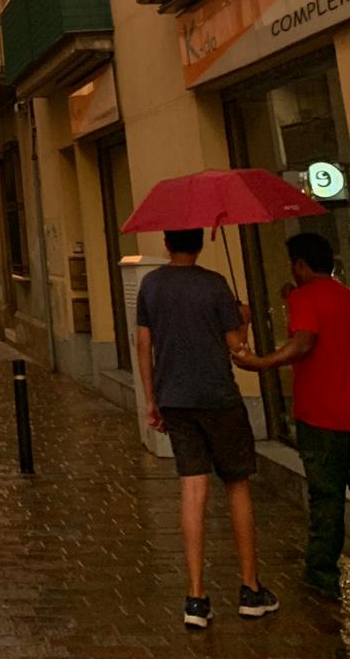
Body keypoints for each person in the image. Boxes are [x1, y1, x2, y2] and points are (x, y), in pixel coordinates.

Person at [135, 228, 278, 629]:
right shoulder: (215, 285)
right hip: (219, 397)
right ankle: (250, 588)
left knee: (192, 489)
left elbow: (143, 345)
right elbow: (237, 349)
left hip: (175, 399)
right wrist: (244, 320)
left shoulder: (151, 285)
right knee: (237, 485)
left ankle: (196, 597)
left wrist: (151, 398)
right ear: (200, 245)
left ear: (167, 244)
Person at [233, 231, 350, 600]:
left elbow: (304, 341)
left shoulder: (304, 298)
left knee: (326, 497)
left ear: (301, 265)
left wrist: (261, 362)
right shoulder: (344, 295)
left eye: (292, 265)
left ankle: (321, 572)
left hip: (320, 415)